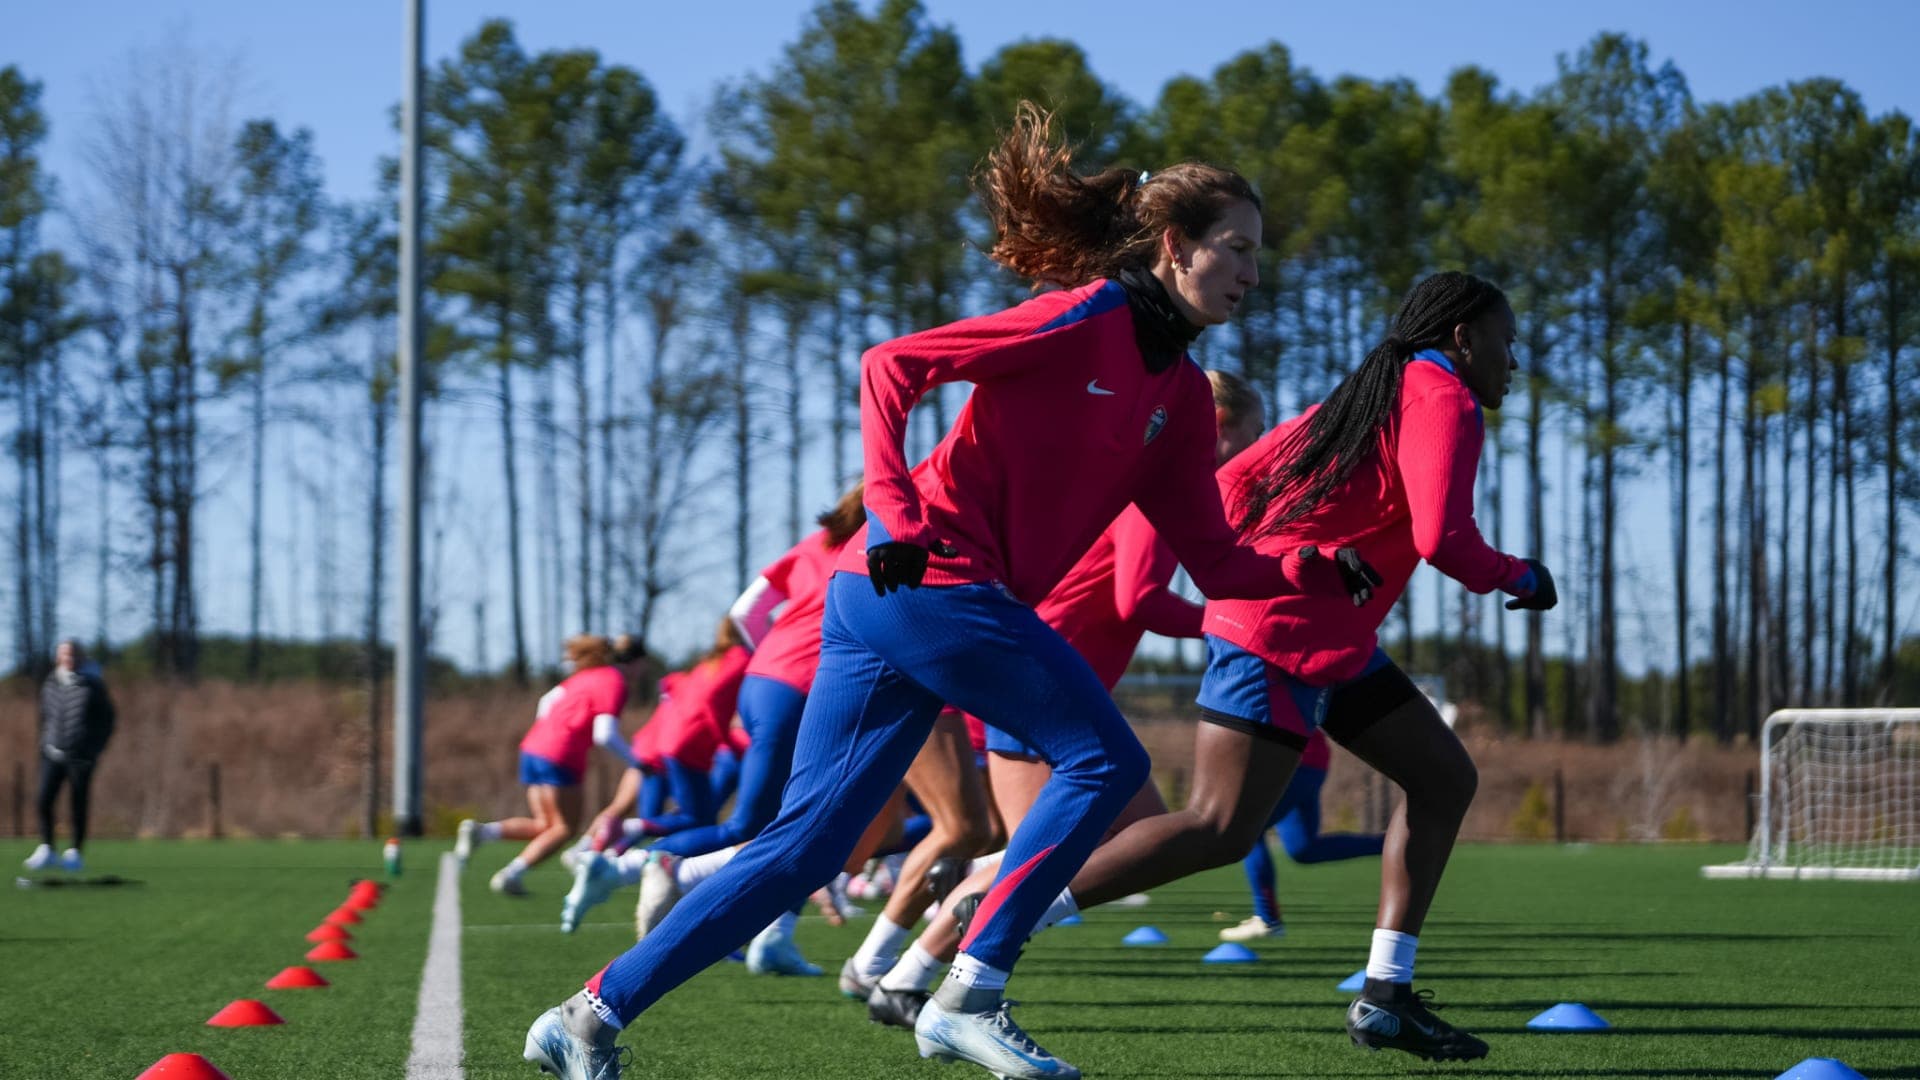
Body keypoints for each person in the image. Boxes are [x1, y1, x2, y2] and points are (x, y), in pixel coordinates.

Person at [522, 102, 1373, 1080]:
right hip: (925, 581)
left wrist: (1307, 567)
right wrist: (892, 514)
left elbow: (1220, 565)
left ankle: (588, 1016)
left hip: (912, 606)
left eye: (1260, 257)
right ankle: (969, 991)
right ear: (1175, 247)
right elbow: (892, 367)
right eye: (1237, 249)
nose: (1254, 276)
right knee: (1101, 762)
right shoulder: (1083, 315)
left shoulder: (1180, 400)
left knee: (804, 851)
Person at [1020, 270, 1557, 1064]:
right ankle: (1006, 913)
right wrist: (1521, 575)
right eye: (1507, 342)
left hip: (1330, 645)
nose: (1514, 360)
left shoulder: (1370, 392)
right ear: (1461, 338)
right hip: (1279, 638)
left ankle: (1385, 997)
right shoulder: (1444, 398)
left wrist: (1263, 555)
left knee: (1443, 778)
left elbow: (1229, 483)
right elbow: (1444, 537)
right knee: (1216, 828)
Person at [862, 369, 1266, 1028]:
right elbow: (1140, 596)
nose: (1244, 462)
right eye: (1244, 444)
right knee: (1050, 852)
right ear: (1216, 430)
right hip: (1039, 683)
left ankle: (926, 953)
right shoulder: (1157, 491)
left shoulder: (1158, 485)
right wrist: (1227, 623)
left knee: (1139, 839)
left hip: (1046, 683)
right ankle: (910, 976)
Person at [567, 485, 865, 973]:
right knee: (765, 824)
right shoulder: (878, 544)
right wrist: (803, 665)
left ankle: (768, 934)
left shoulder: (814, 544)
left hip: (762, 683)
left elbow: (746, 611)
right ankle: (635, 866)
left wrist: (771, 655)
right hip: (797, 691)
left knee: (788, 820)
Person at [457, 634, 638, 896]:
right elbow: (604, 734)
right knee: (564, 829)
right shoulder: (614, 680)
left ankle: (483, 833)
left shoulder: (580, 677)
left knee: (545, 824)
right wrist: (637, 762)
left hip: (533, 746)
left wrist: (552, 732)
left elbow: (546, 702)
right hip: (561, 753)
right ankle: (511, 874)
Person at [1219, 728, 1385, 942]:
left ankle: (1267, 919)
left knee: (1247, 830)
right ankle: (1390, 843)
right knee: (1303, 848)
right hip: (1311, 761)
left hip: (1288, 760)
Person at [25, 640, 115, 873]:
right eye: (64, 654)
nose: (69, 658)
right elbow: (45, 716)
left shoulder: (93, 686)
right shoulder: (51, 682)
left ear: (81, 657)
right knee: (43, 799)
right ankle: (47, 848)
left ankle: (75, 851)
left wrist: (92, 749)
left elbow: (107, 721)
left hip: (81, 756)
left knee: (78, 803)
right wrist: (44, 743)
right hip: (52, 752)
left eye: (73, 654)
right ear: (58, 656)